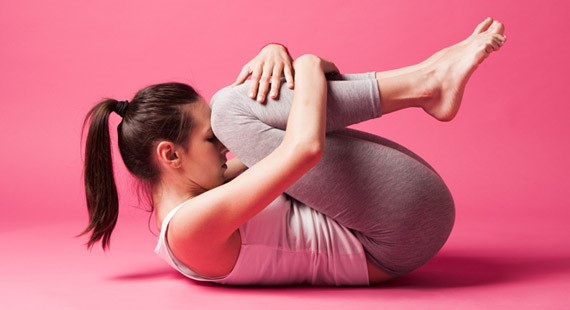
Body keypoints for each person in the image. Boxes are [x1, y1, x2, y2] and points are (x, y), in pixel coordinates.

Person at [81, 18, 506, 286]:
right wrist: (302, 63)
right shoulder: (188, 229)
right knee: (232, 107)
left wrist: (276, 55)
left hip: (400, 220)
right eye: (211, 140)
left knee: (239, 104)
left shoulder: (217, 191)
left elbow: (310, 107)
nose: (226, 146)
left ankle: (426, 81)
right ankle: (426, 82)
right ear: (170, 156)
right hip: (394, 237)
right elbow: (305, 148)